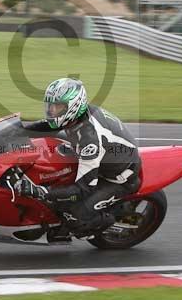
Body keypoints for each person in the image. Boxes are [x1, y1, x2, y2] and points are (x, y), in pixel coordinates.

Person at [14, 78, 142, 238]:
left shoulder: (89, 140)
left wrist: (42, 192)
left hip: (118, 178)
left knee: (74, 214)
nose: (52, 111)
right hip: (104, 157)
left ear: (73, 106)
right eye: (50, 106)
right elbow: (48, 126)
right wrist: (15, 131)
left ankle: (106, 223)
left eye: (57, 107)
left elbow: (83, 189)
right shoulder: (75, 116)